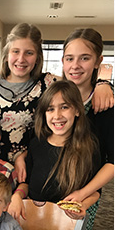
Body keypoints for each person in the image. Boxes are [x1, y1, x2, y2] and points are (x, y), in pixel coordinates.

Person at [0, 23, 113, 183]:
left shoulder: (48, 83)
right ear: (7, 53)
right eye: (15, 51)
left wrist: (104, 84)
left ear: (37, 57)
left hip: (36, 169)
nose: (21, 59)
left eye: (29, 53)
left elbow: (73, 84)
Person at [8, 80, 100, 221]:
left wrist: (83, 205)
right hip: (32, 222)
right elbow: (26, 184)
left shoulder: (89, 147)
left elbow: (95, 191)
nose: (57, 116)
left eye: (64, 107)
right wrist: (17, 195)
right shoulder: (36, 144)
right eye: (50, 109)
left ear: (76, 110)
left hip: (66, 226)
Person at [62, 28, 114, 230]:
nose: (75, 65)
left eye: (84, 58)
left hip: (86, 192)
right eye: (69, 58)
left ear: (97, 61)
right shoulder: (54, 97)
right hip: (49, 189)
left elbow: (113, 161)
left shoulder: (108, 105)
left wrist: (82, 195)